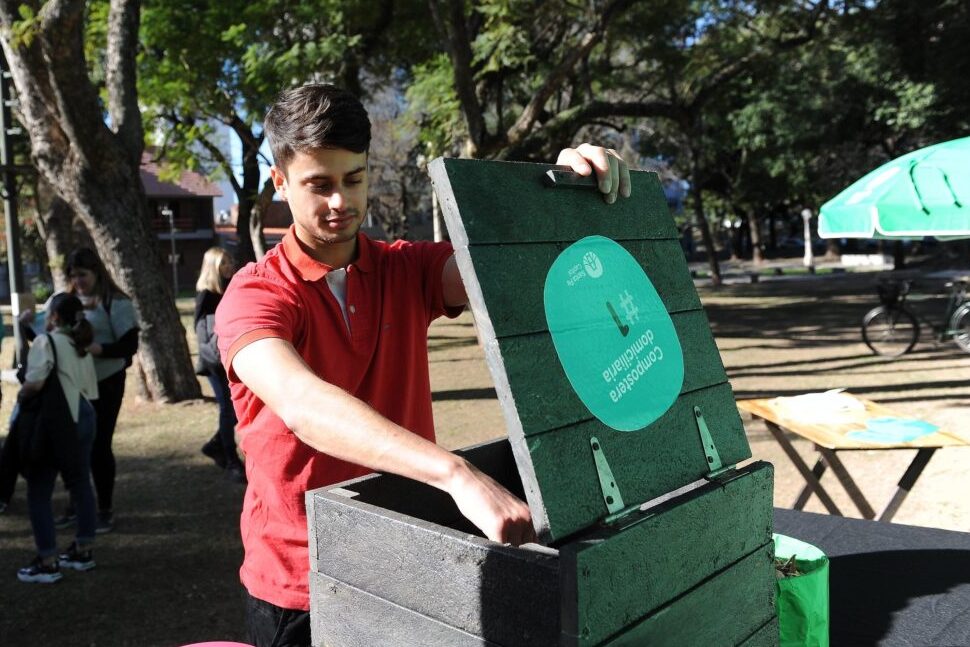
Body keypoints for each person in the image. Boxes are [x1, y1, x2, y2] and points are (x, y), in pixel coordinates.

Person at [214, 83, 631, 646]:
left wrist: (564, 191)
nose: (340, 201)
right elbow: (301, 405)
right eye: (320, 184)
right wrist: (455, 474)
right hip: (301, 585)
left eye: (354, 179)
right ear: (280, 182)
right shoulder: (254, 294)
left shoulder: (403, 268)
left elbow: (512, 265)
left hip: (411, 558)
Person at [16, 293, 99, 583]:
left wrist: (21, 393)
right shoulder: (80, 344)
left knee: (39, 487)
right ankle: (83, 549)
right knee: (79, 482)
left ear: (53, 317)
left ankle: (48, 559)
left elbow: (35, 382)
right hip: (85, 413)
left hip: (59, 419)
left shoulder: (46, 342)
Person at [56, 247, 139, 534]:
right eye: (73, 275)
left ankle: (104, 509)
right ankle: (75, 504)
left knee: (99, 446)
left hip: (107, 382)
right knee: (73, 446)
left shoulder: (116, 303)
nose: (78, 280)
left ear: (97, 273)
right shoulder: (68, 302)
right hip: (74, 383)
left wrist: (98, 349)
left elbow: (130, 347)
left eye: (83, 274)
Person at [194, 246, 246, 484]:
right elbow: (200, 330)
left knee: (235, 409)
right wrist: (215, 356)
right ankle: (231, 458)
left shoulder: (232, 288)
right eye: (223, 263)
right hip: (215, 361)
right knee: (228, 409)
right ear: (213, 267)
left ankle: (216, 444)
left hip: (231, 356)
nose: (229, 266)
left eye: (230, 261)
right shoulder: (206, 294)